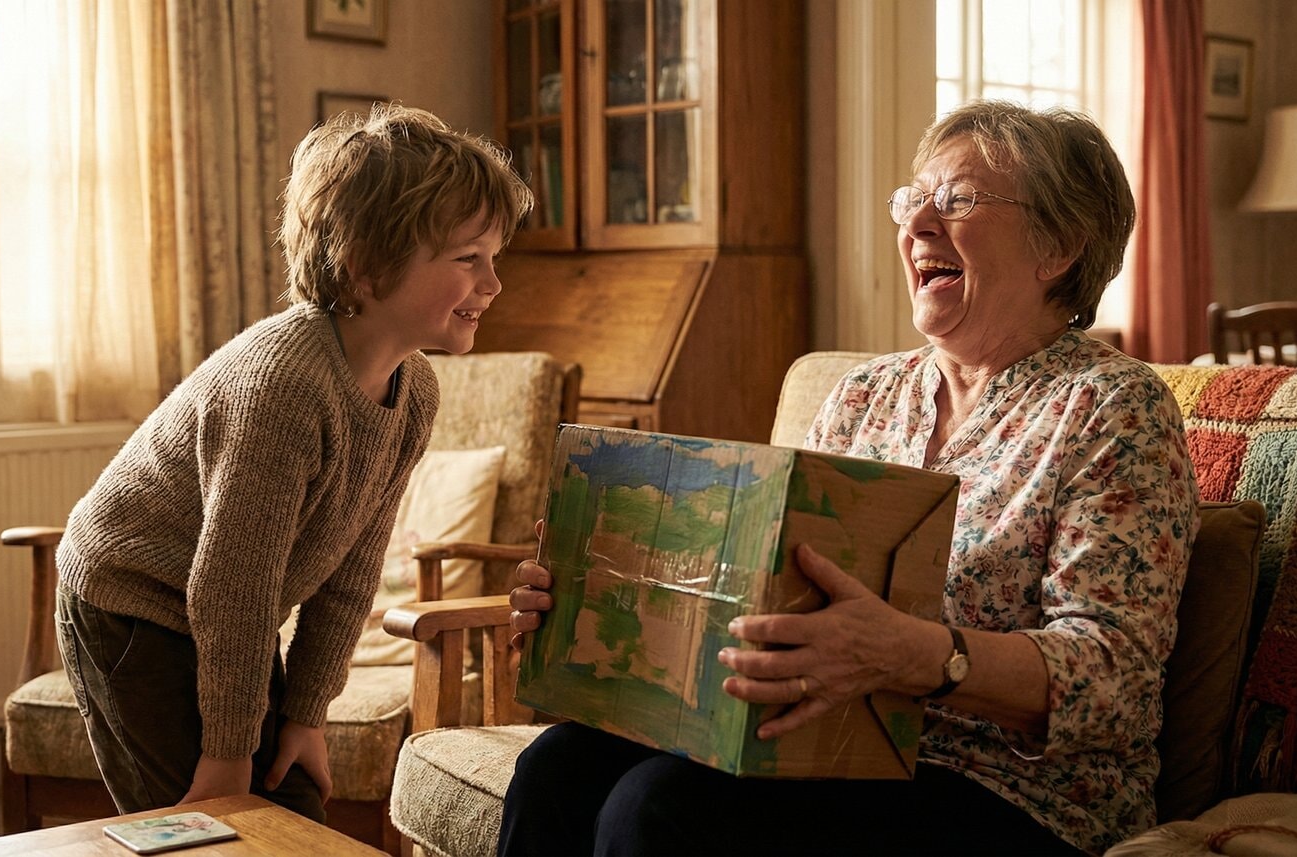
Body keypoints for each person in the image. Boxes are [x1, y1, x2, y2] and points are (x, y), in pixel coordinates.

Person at [502, 100, 1199, 856]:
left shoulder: (1111, 406)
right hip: (828, 747)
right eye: (913, 200)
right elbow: (768, 586)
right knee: (557, 766)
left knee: (658, 809)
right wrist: (603, 588)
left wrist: (916, 653)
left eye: (958, 200)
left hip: (1013, 793)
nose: (918, 225)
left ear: (1059, 245)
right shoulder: (865, 394)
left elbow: (1115, 678)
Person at [54, 104, 532, 822]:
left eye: (493, 257)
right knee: (210, 825)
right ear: (367, 265)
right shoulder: (283, 385)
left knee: (294, 811)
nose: (493, 284)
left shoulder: (416, 390)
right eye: (469, 258)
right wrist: (227, 750)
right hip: (130, 604)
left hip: (223, 618)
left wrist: (306, 715)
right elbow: (232, 588)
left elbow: (351, 571)